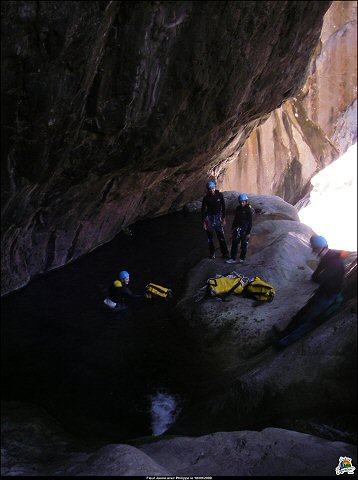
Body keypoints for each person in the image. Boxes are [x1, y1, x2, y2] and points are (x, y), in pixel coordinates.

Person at [272, 235, 345, 349]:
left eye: (315, 249)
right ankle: (283, 334)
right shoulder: (327, 258)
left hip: (328, 297)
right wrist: (317, 277)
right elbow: (315, 276)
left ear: (322, 247)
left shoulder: (335, 262)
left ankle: (284, 343)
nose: (314, 252)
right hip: (322, 293)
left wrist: (318, 277)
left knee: (308, 320)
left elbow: (319, 278)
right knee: (301, 314)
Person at [201, 180, 230, 259]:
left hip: (218, 217)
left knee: (221, 236)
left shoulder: (219, 195)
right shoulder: (206, 198)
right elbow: (203, 210)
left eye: (212, 188)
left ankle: (225, 253)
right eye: (210, 189)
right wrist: (204, 222)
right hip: (209, 218)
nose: (211, 190)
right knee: (210, 237)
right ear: (208, 189)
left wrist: (224, 218)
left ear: (215, 187)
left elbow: (223, 207)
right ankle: (212, 253)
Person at [226, 193, 253, 264]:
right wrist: (233, 227)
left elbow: (250, 222)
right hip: (238, 228)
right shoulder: (238, 208)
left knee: (244, 244)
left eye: (243, 202)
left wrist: (248, 232)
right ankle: (233, 258)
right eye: (240, 202)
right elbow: (236, 218)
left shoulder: (248, 209)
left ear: (246, 201)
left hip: (245, 228)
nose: (242, 203)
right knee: (234, 243)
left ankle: (242, 258)